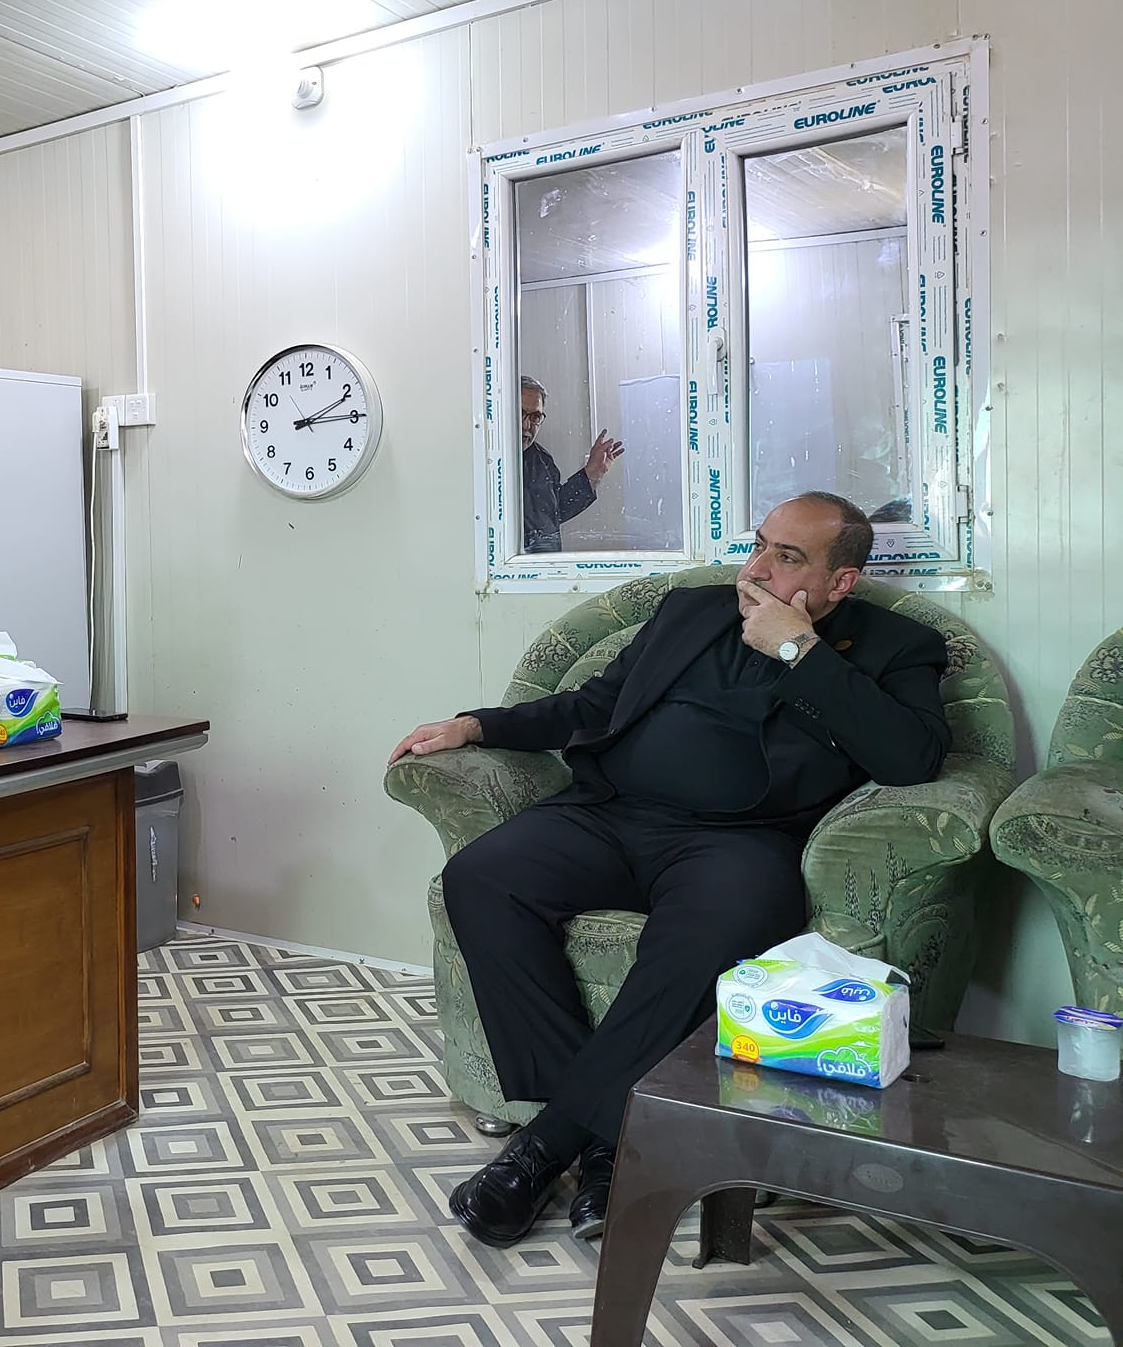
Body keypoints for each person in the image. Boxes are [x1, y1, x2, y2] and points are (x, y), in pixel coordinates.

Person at [387, 493, 947, 1248]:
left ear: (840, 582)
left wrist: (798, 651)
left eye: (788, 557)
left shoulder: (897, 647)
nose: (757, 568)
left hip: (739, 843)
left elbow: (912, 759)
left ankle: (544, 1147)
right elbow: (593, 705)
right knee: (481, 877)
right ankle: (601, 1139)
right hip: (610, 815)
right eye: (759, 545)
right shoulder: (689, 612)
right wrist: (476, 724)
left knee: (718, 928)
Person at [519, 375, 622, 553]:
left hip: (544, 565)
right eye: (520, 413)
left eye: (535, 417)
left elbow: (554, 512)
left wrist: (592, 474)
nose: (527, 425)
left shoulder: (542, 461)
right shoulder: (478, 461)